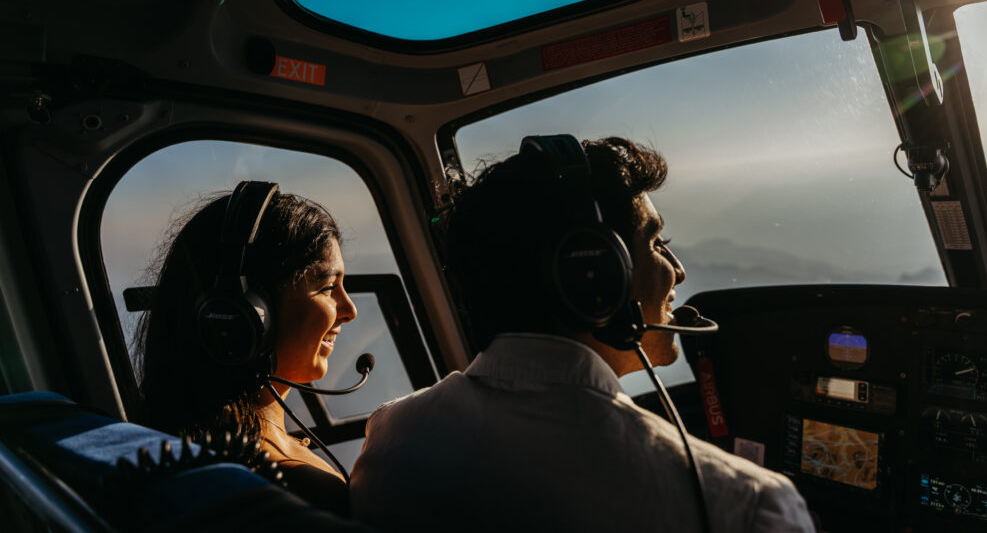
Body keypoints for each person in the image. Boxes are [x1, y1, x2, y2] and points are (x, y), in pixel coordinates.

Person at [350, 136, 816, 532]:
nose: (679, 271)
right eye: (656, 243)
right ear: (592, 275)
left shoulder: (392, 435)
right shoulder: (745, 506)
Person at [134, 182, 357, 515]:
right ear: (247, 312)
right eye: (327, 287)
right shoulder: (302, 487)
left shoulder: (171, 443)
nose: (350, 310)